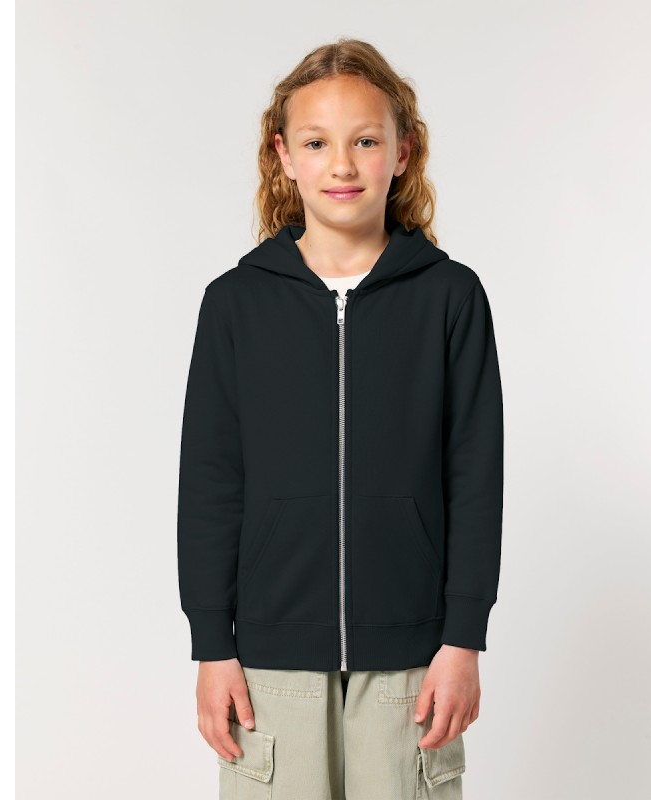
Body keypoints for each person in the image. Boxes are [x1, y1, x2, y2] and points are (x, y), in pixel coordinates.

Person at [177, 37, 504, 799]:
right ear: (283, 155)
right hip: (269, 657)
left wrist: (463, 639)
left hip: (413, 658)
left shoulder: (450, 298)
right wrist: (212, 646)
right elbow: (211, 483)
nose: (343, 165)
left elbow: (475, 477)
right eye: (318, 142)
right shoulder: (235, 304)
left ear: (403, 151)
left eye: (365, 140)